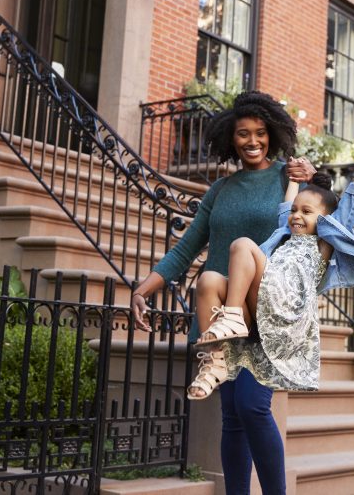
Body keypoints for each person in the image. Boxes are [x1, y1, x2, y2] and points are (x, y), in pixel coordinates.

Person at [131, 90, 315, 495]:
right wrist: (142, 289)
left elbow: (315, 216)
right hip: (222, 318)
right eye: (243, 134)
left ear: (274, 135)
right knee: (232, 415)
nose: (253, 141)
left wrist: (312, 177)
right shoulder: (220, 190)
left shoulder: (289, 177)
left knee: (252, 406)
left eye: (261, 133)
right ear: (230, 139)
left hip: (265, 308)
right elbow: (185, 249)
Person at [186, 166, 354, 401]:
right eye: (295, 211)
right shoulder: (284, 234)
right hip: (262, 308)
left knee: (242, 245)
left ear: (326, 219)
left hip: (287, 312)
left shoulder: (324, 242)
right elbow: (286, 205)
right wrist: (293, 179)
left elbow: (352, 200)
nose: (296, 215)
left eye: (306, 211)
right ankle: (216, 361)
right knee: (208, 280)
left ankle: (231, 316)